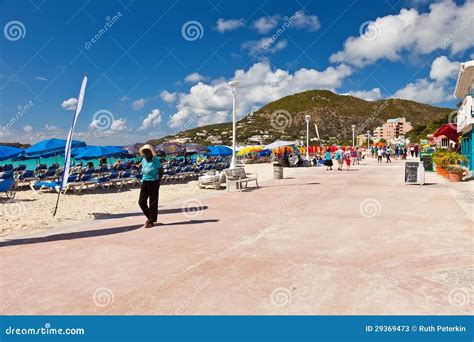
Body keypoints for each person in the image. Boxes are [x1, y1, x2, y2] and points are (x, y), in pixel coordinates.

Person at [138, 144, 163, 228]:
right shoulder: (143, 161)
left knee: (153, 202)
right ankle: (150, 217)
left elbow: (161, 170)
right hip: (145, 182)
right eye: (144, 153)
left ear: (151, 153)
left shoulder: (155, 160)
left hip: (154, 182)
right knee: (141, 202)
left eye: (147, 153)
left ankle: (151, 221)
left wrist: (159, 180)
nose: (146, 155)